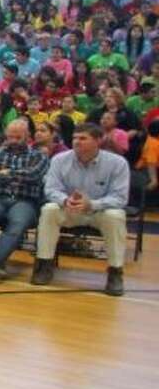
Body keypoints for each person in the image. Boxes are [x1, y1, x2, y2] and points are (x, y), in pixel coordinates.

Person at [33, 123, 131, 295]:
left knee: (116, 216)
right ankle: (44, 265)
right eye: (75, 138)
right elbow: (50, 189)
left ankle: (115, 272)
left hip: (99, 211)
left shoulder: (117, 163)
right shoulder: (59, 159)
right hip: (70, 209)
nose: (77, 142)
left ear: (98, 141)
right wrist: (65, 200)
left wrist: (92, 204)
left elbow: (120, 198)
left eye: (83, 138)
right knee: (49, 210)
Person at [0, 119, 50, 282]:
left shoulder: (39, 155)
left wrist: (6, 173)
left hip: (26, 201)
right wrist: (18, 174)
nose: (13, 141)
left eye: (18, 137)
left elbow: (34, 176)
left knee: (18, 223)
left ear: (28, 136)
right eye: (10, 137)